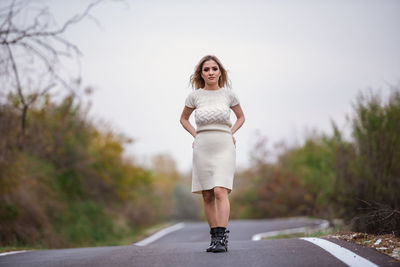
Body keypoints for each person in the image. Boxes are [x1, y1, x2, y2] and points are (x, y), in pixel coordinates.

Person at [180, 55, 245, 253]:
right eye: (206, 69)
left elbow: (241, 117)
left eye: (214, 69)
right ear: (201, 73)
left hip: (224, 145)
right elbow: (183, 119)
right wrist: (195, 135)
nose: (210, 72)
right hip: (203, 147)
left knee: (219, 190)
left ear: (220, 72)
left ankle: (222, 237)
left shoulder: (229, 95)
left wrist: (231, 132)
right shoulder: (194, 96)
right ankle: (215, 238)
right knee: (207, 193)